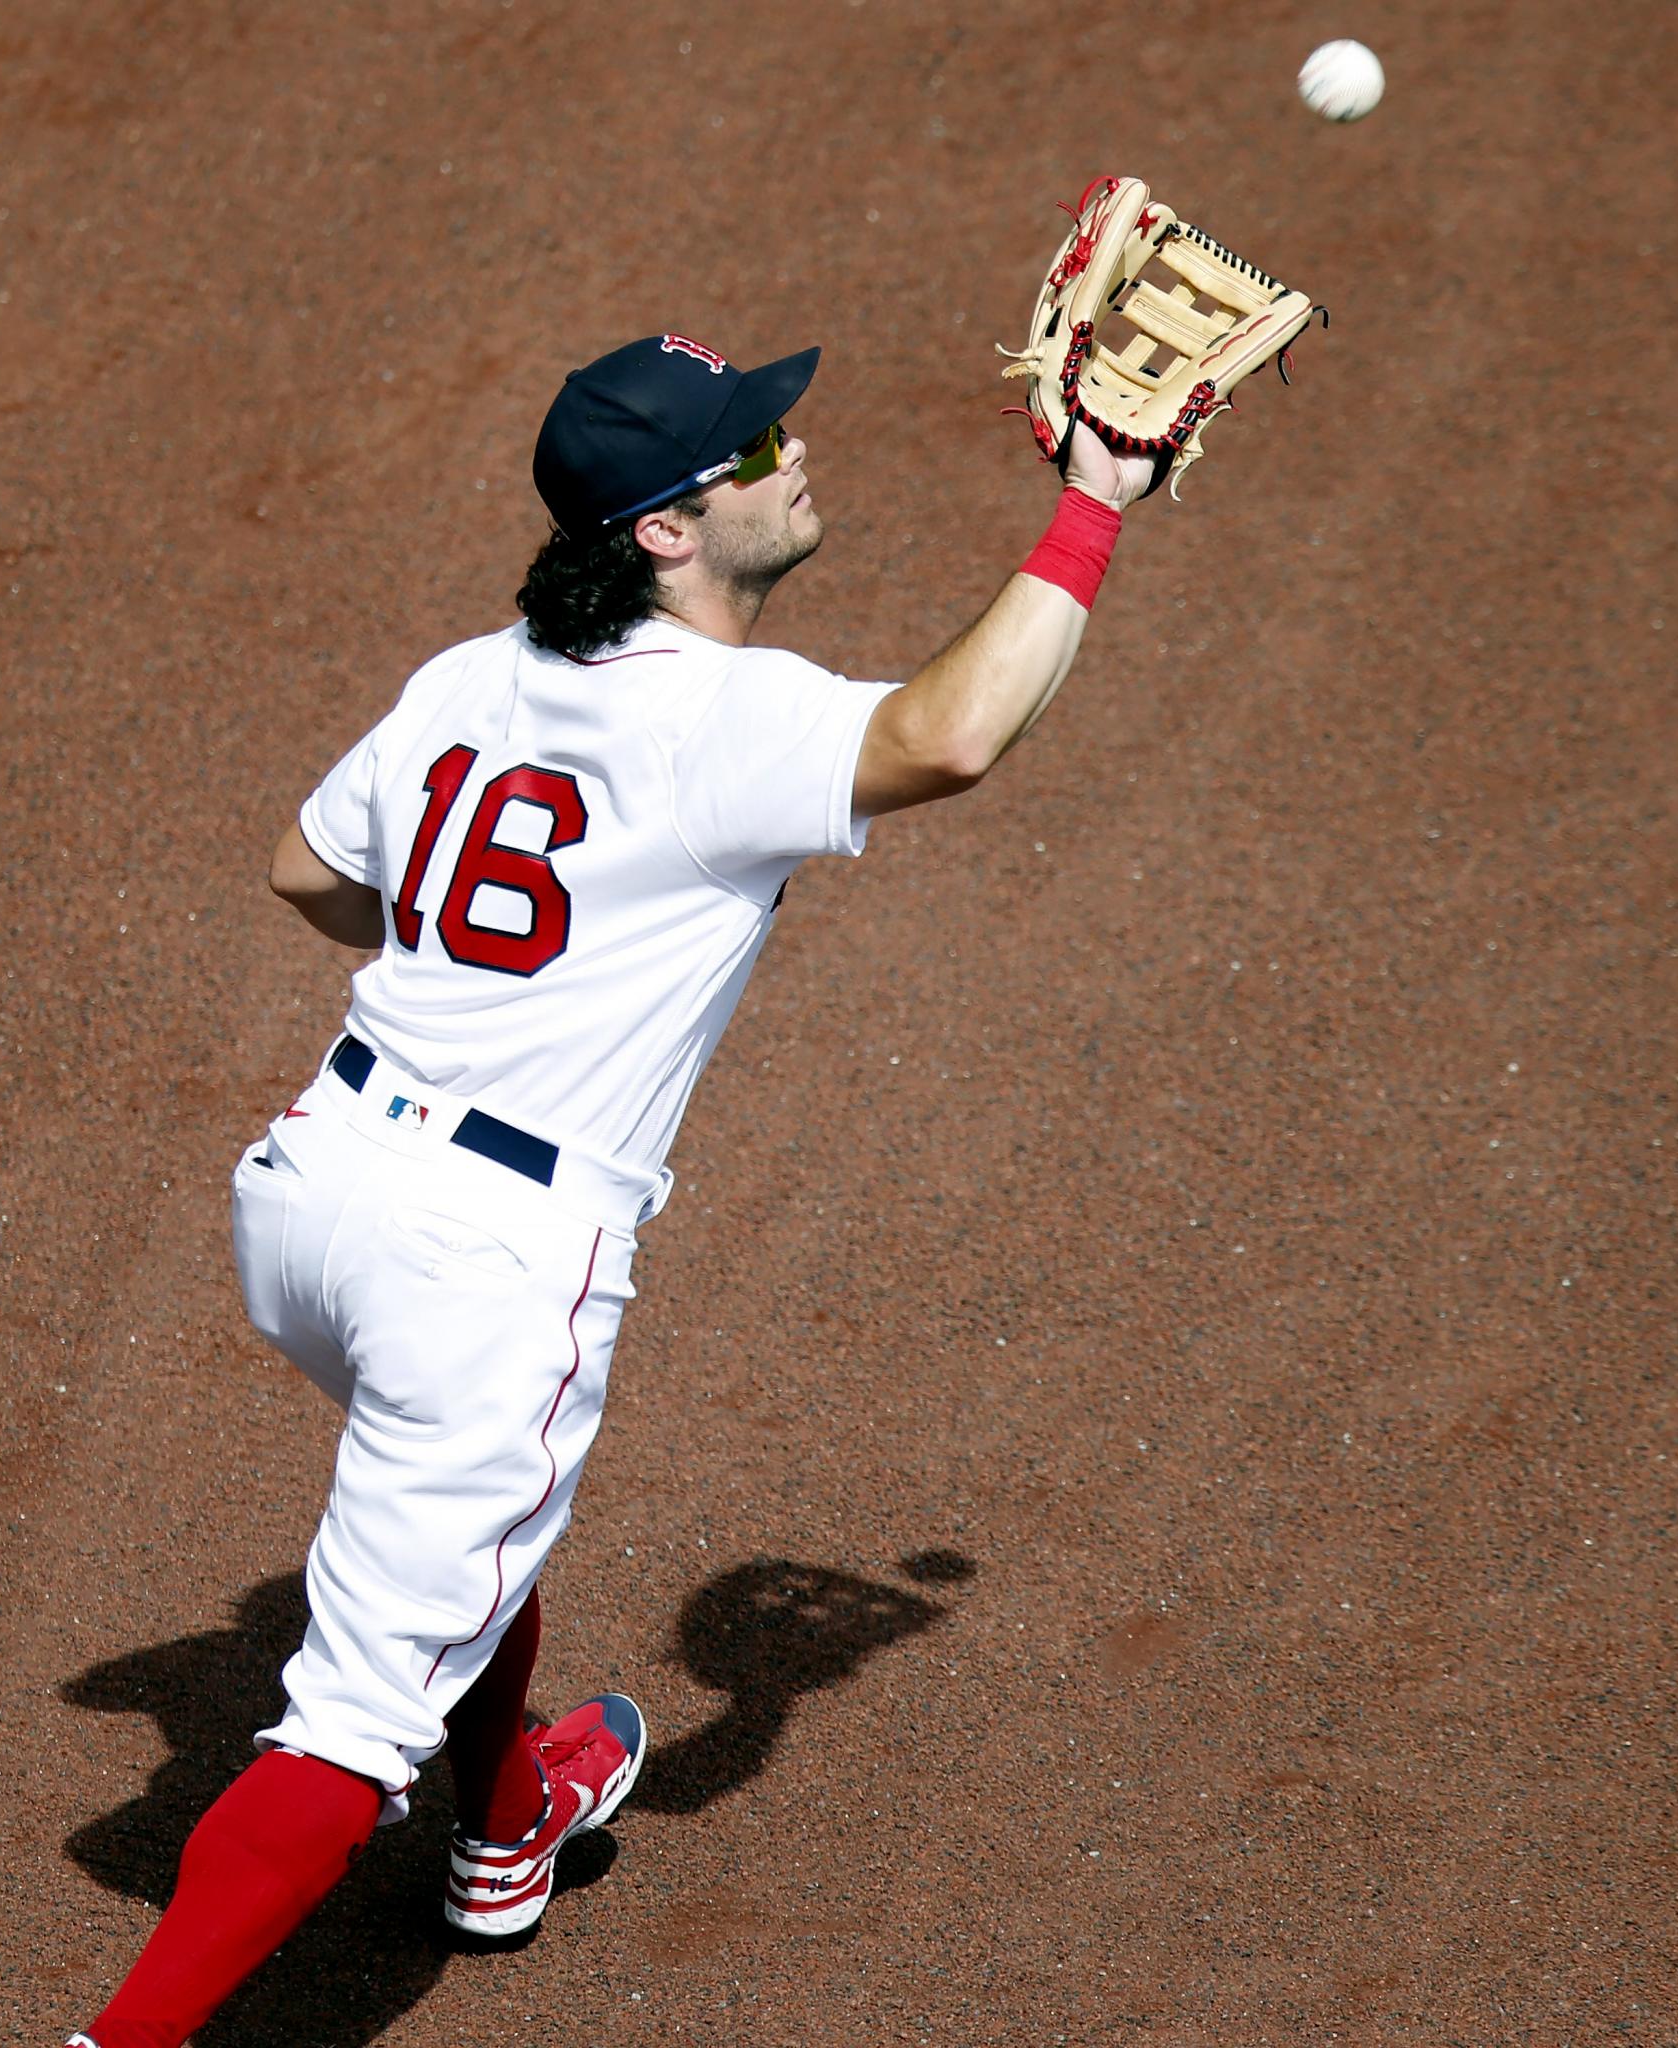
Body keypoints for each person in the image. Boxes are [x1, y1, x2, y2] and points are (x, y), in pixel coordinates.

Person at [63, 332, 1155, 2048]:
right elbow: (950, 738)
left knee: (470, 1533)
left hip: (308, 1194)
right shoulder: (729, 713)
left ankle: (505, 1826)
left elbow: (308, 871)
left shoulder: (469, 674)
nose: (795, 451)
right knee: (353, 1722)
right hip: (484, 1264)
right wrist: (1094, 503)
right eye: (757, 443)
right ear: (663, 529)